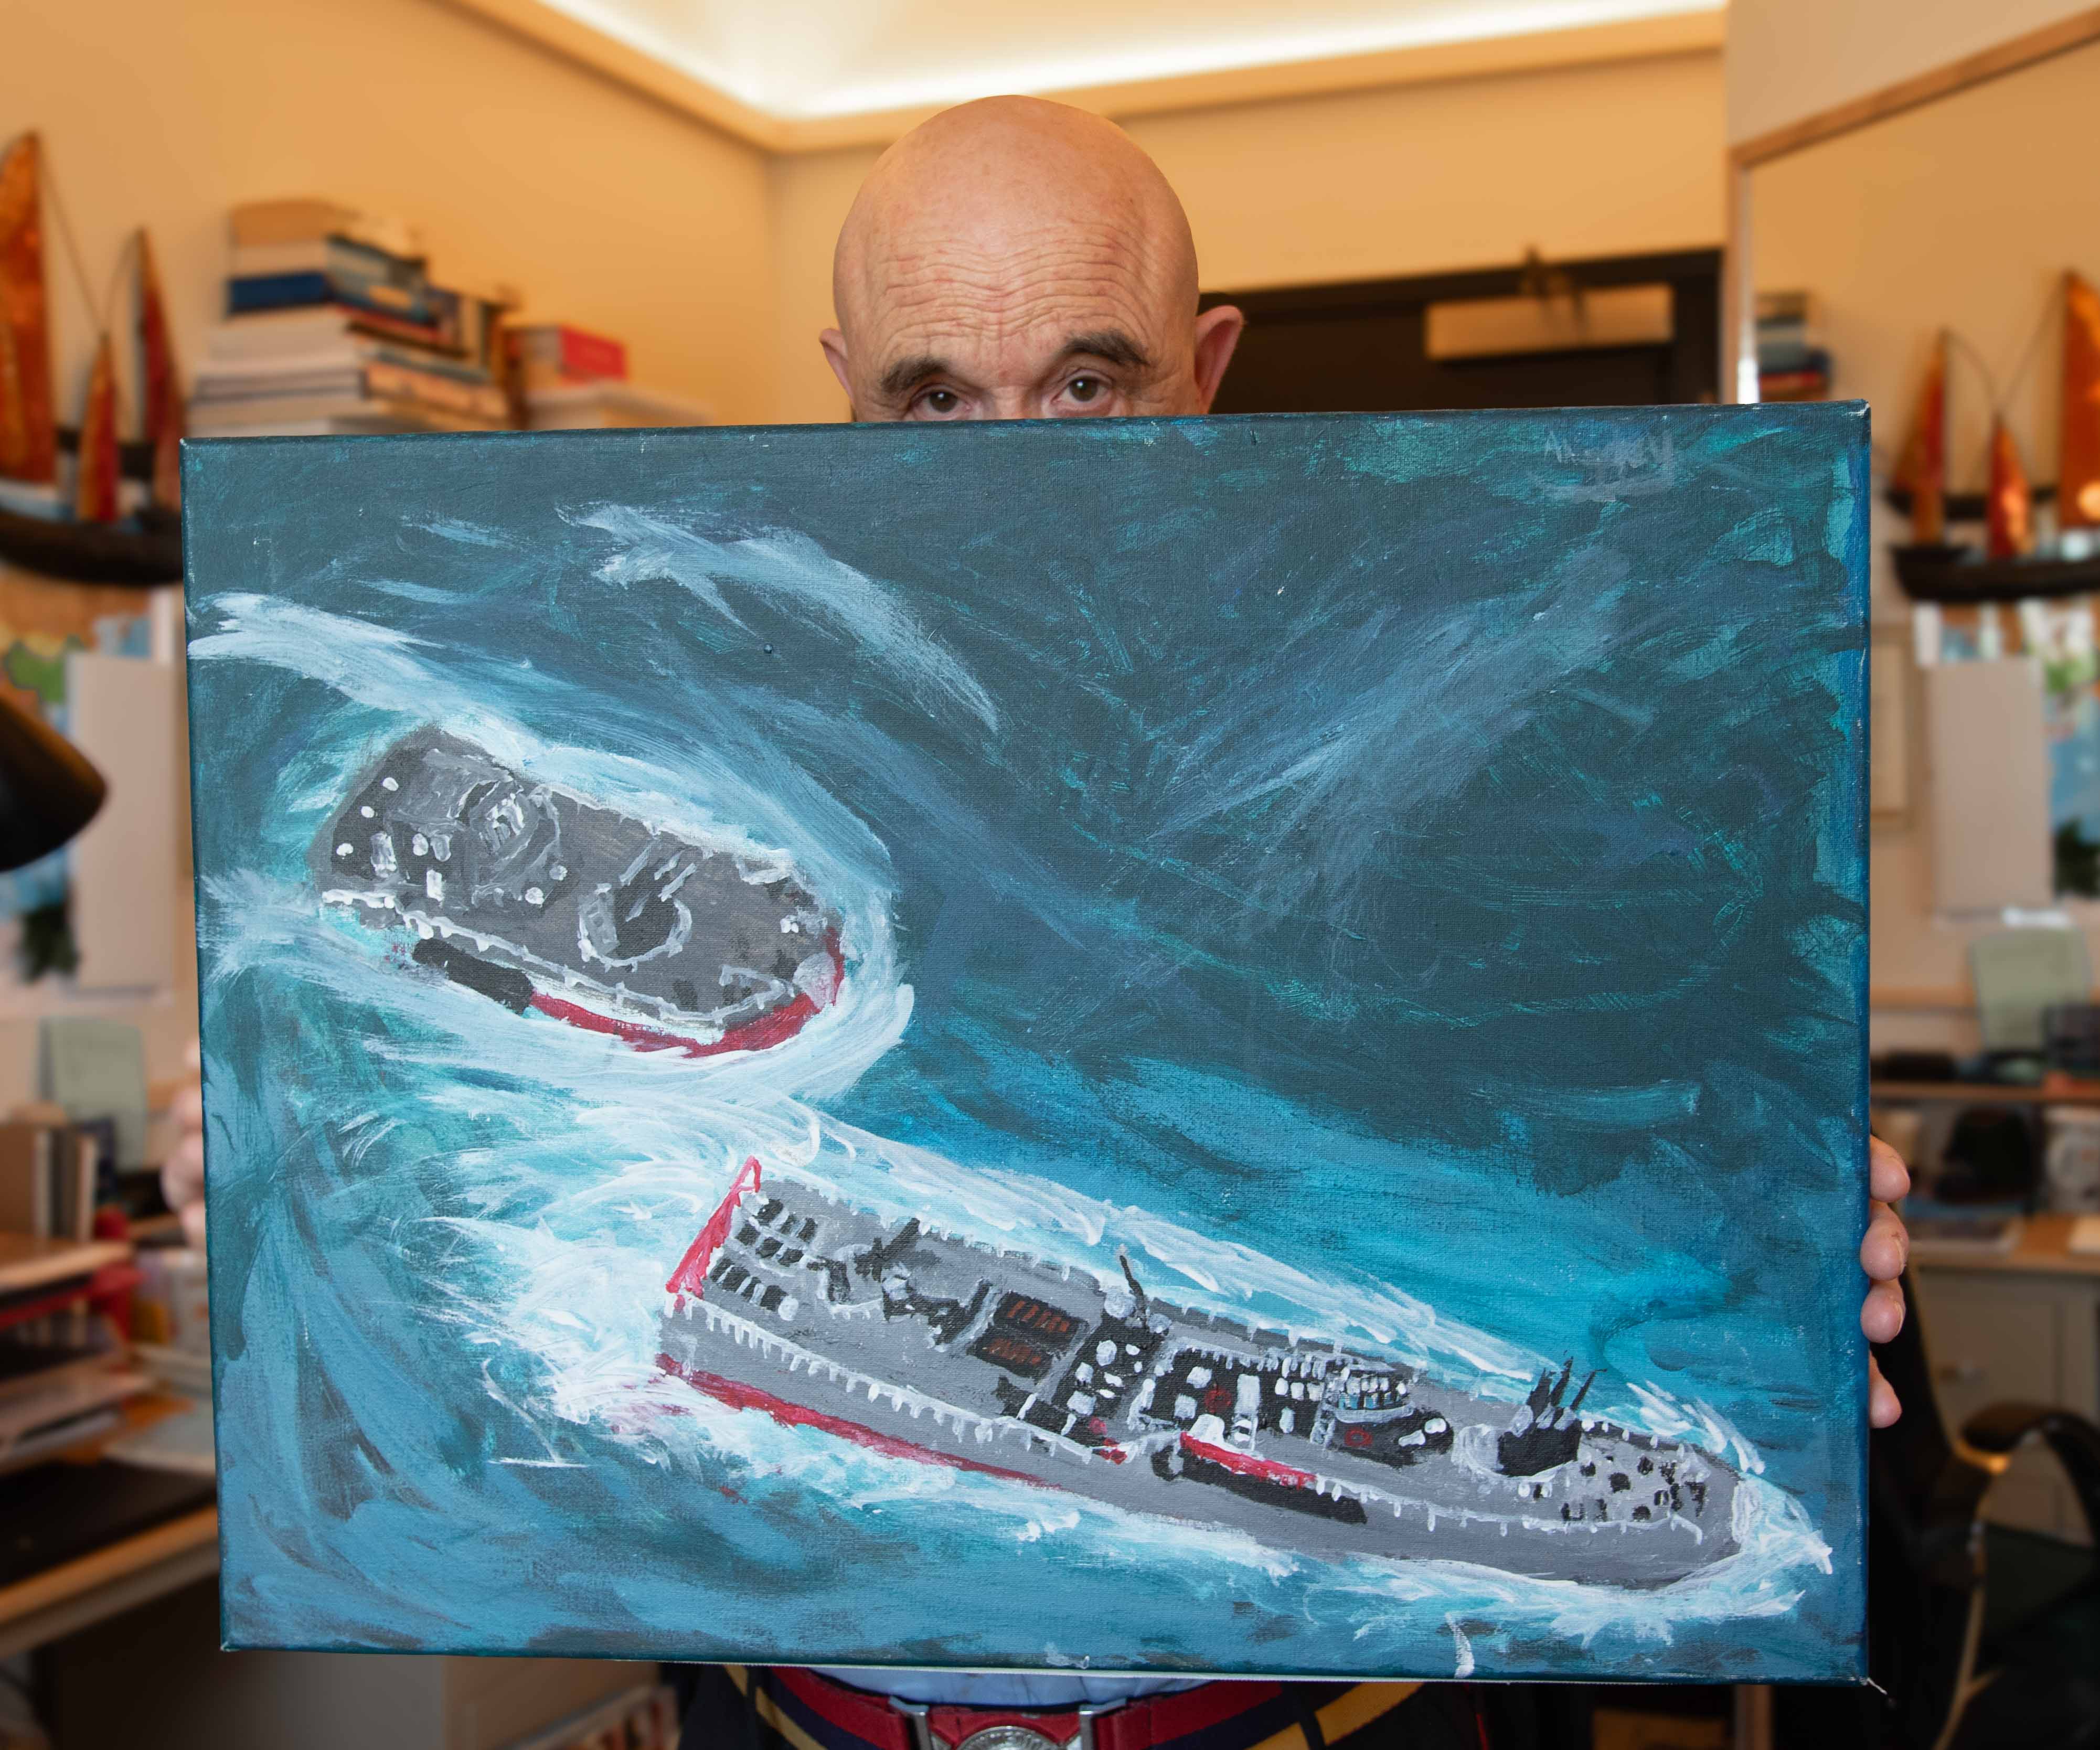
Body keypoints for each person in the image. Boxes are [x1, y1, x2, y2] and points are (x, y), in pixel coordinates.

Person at [167, 94, 1913, 1750]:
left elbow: (1665, 1132)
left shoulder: (1483, 733)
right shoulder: (696, 684)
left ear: (1207, 369)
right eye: (933, 398)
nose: (1009, 461)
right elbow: (438, 1240)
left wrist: (1808, 1240)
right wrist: (262, 1150)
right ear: (844, 388)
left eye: (1088, 380)